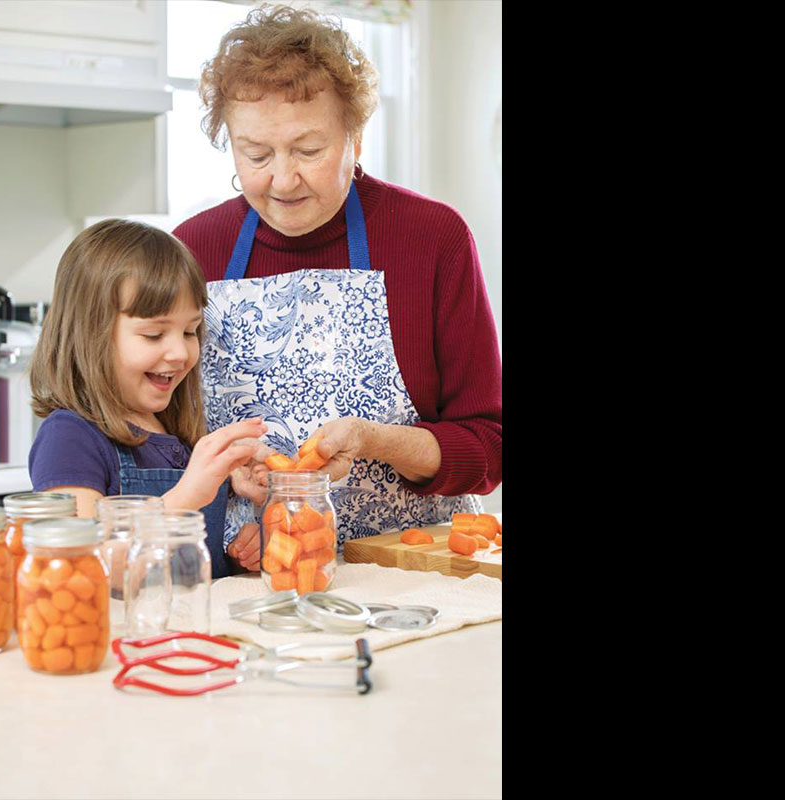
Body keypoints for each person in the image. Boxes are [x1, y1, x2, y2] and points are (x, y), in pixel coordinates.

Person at [172, 4, 503, 572]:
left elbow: (488, 444)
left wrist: (377, 441)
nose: (281, 179)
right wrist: (227, 481)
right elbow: (158, 438)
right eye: (255, 154)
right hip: (254, 581)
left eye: (308, 150)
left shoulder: (432, 237)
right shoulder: (192, 249)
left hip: (415, 581)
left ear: (356, 135)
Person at [26, 218, 269, 579]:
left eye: (190, 331)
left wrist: (235, 555)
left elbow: (183, 569)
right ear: (89, 335)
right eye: (154, 335)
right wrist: (187, 496)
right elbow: (82, 565)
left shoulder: (175, 435)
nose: (180, 352)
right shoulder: (70, 438)